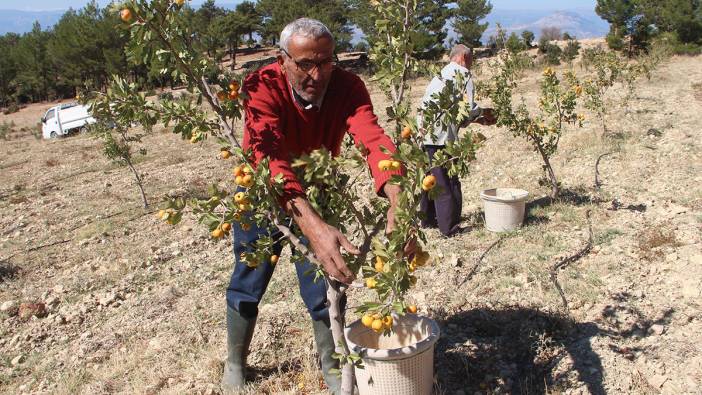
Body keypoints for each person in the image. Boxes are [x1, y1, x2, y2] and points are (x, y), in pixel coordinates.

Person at [222, 18, 405, 394]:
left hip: (320, 192)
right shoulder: (261, 86)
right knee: (248, 279)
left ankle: (331, 361)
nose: (317, 74)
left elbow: (372, 136)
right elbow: (268, 157)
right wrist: (313, 227)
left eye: (326, 61)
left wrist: (397, 196)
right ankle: (235, 361)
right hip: (262, 196)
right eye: (305, 64)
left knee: (326, 282)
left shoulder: (348, 86)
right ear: (282, 58)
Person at [418, 44, 496, 236]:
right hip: (442, 136)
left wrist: (473, 119)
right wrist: (482, 114)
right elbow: (468, 108)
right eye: (471, 59)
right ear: (463, 57)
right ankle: (449, 228)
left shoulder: (441, 74)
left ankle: (427, 220)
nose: (471, 63)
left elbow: (450, 109)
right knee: (446, 181)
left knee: (430, 177)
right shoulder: (463, 74)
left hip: (424, 132)